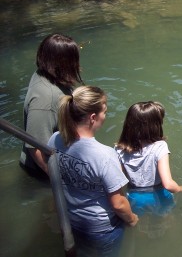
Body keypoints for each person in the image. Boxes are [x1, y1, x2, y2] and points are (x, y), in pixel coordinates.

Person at [47, 86, 138, 257]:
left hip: (71, 221)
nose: (105, 115)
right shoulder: (105, 155)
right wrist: (132, 219)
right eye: (104, 111)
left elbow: (53, 175)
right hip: (102, 230)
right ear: (93, 117)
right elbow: (118, 204)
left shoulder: (55, 139)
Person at [20, 33, 83, 178]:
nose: (78, 64)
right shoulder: (45, 100)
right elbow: (35, 147)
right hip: (42, 170)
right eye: (74, 59)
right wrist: (60, 181)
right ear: (63, 63)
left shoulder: (43, 73)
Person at [115, 101, 182, 216]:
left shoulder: (119, 149)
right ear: (155, 126)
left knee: (141, 225)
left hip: (134, 196)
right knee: (166, 221)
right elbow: (168, 184)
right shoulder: (160, 147)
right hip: (159, 195)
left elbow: (116, 181)